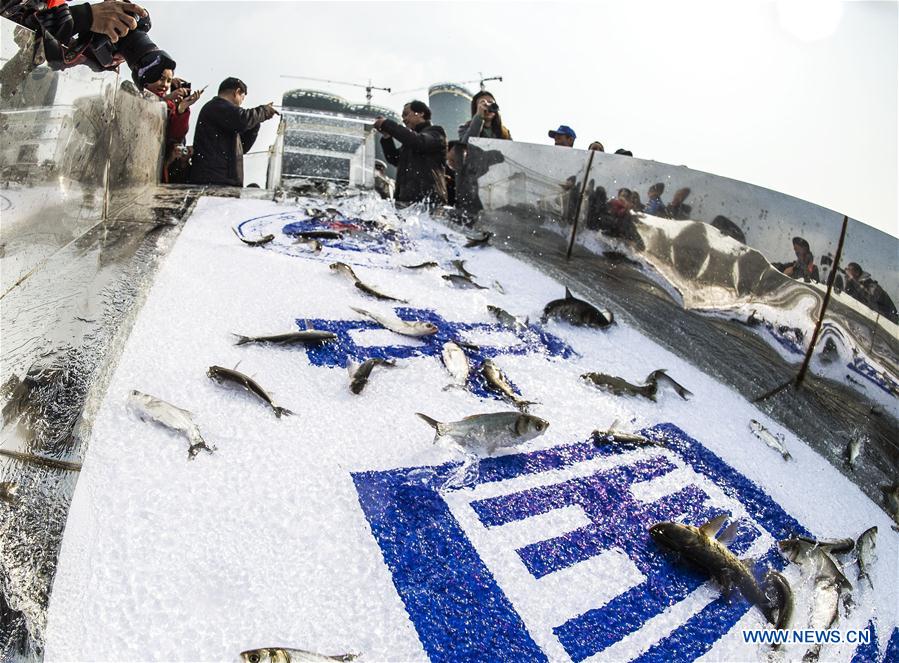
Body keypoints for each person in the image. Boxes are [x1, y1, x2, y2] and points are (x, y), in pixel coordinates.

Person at [190, 77, 277, 187]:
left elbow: (242, 147)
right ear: (237, 92)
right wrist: (264, 111)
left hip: (222, 181)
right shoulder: (216, 106)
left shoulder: (227, 117)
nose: (240, 103)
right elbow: (243, 120)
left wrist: (254, 124)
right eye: (242, 98)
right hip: (213, 181)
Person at [136, 63, 203, 183]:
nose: (165, 85)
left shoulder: (170, 106)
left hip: (153, 172)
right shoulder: (133, 92)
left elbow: (176, 135)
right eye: (161, 79)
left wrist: (181, 109)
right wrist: (164, 99)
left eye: (169, 81)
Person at [373, 100, 447, 205]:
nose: (404, 119)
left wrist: (387, 124)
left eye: (406, 114)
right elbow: (394, 158)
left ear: (421, 113)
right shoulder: (411, 141)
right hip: (404, 200)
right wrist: (387, 137)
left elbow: (418, 142)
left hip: (428, 201)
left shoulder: (436, 132)